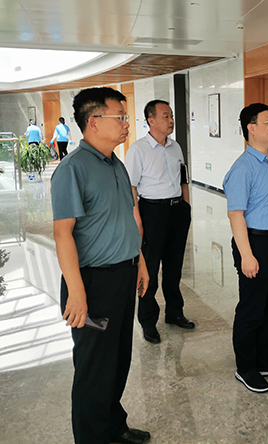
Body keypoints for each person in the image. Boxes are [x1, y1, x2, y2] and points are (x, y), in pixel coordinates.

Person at [51, 87, 151, 444]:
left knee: (118, 358)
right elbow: (63, 234)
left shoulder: (115, 164)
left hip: (123, 273)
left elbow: (126, 220)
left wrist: (139, 261)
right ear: (93, 122)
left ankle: (113, 426)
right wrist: (76, 293)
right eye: (120, 117)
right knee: (94, 368)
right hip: (93, 283)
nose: (127, 124)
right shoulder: (72, 169)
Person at [223, 103, 268, 393]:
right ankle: (246, 367)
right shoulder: (243, 168)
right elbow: (235, 215)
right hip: (255, 243)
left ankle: (265, 359)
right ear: (251, 128)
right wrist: (247, 255)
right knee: (252, 309)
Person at [125, 99, 194, 345]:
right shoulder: (138, 149)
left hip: (177, 211)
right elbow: (131, 187)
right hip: (152, 212)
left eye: (171, 115)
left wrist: (186, 207)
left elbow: (183, 177)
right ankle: (147, 321)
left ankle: (174, 312)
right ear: (151, 120)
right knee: (150, 269)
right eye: (166, 116)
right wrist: (138, 219)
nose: (171, 120)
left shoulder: (175, 147)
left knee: (174, 267)